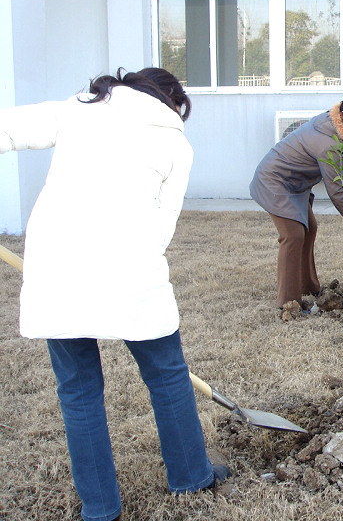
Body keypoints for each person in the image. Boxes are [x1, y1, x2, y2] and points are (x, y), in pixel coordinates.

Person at [0, 68, 229, 521]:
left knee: (79, 391)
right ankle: (190, 475)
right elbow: (163, 227)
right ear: (173, 103)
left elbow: (7, 127)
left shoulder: (76, 110)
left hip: (58, 265)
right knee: (167, 376)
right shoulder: (175, 143)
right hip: (131, 268)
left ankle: (101, 508)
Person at [250, 91, 343, 308]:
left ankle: (309, 286)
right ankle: (288, 303)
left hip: (295, 183)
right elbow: (336, 190)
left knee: (310, 228)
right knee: (293, 236)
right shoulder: (329, 142)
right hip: (275, 181)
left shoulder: (335, 126)